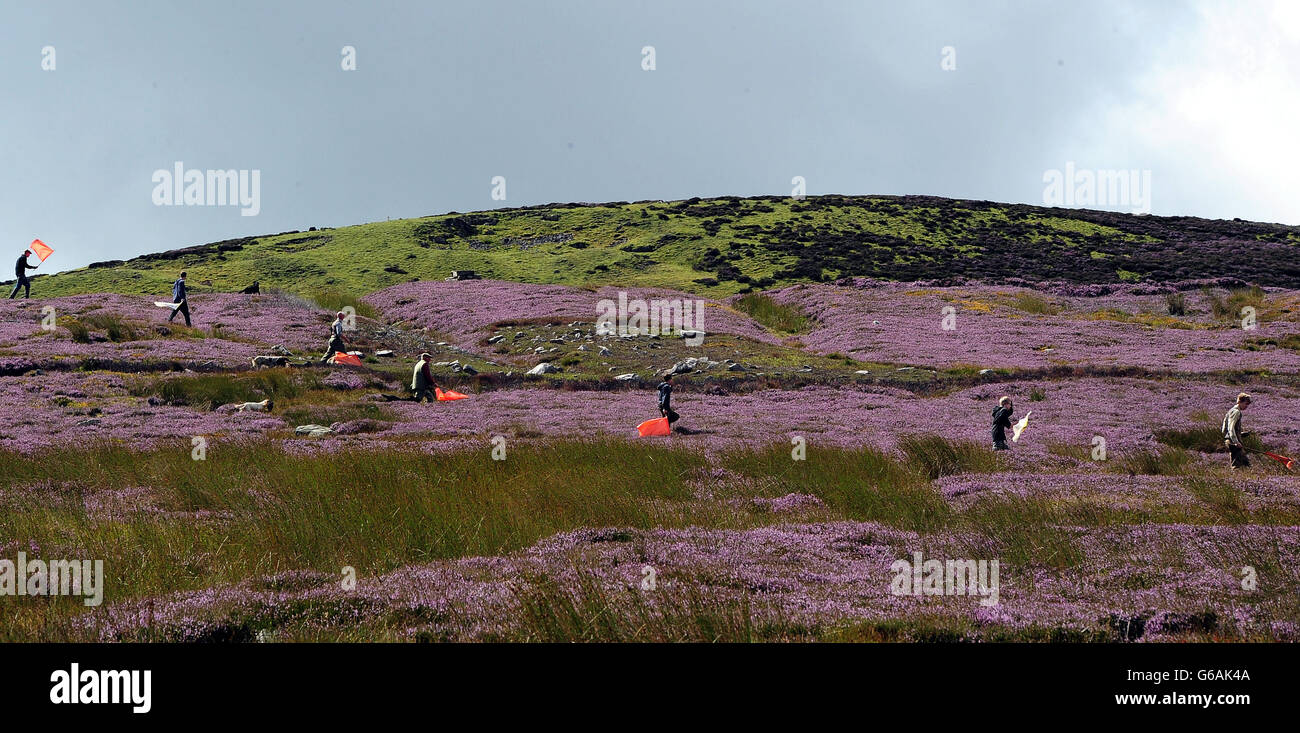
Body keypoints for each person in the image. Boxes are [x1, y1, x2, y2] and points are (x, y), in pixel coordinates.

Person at [1222, 392, 1252, 469]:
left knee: (1245, 462)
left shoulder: (1232, 410)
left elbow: (1225, 430)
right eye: (1246, 403)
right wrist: (1236, 441)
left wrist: (1241, 434)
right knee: (1238, 464)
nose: (1247, 406)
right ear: (1239, 402)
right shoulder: (1236, 412)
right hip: (1233, 442)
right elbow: (1230, 428)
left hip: (1231, 440)